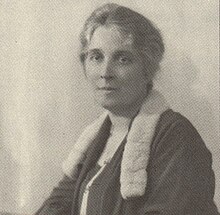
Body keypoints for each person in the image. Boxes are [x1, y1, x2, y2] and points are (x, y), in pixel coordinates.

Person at [35, 3, 219, 215]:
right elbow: (55, 206)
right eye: (96, 57)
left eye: (122, 59)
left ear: (147, 69)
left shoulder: (175, 136)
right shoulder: (96, 138)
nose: (105, 72)